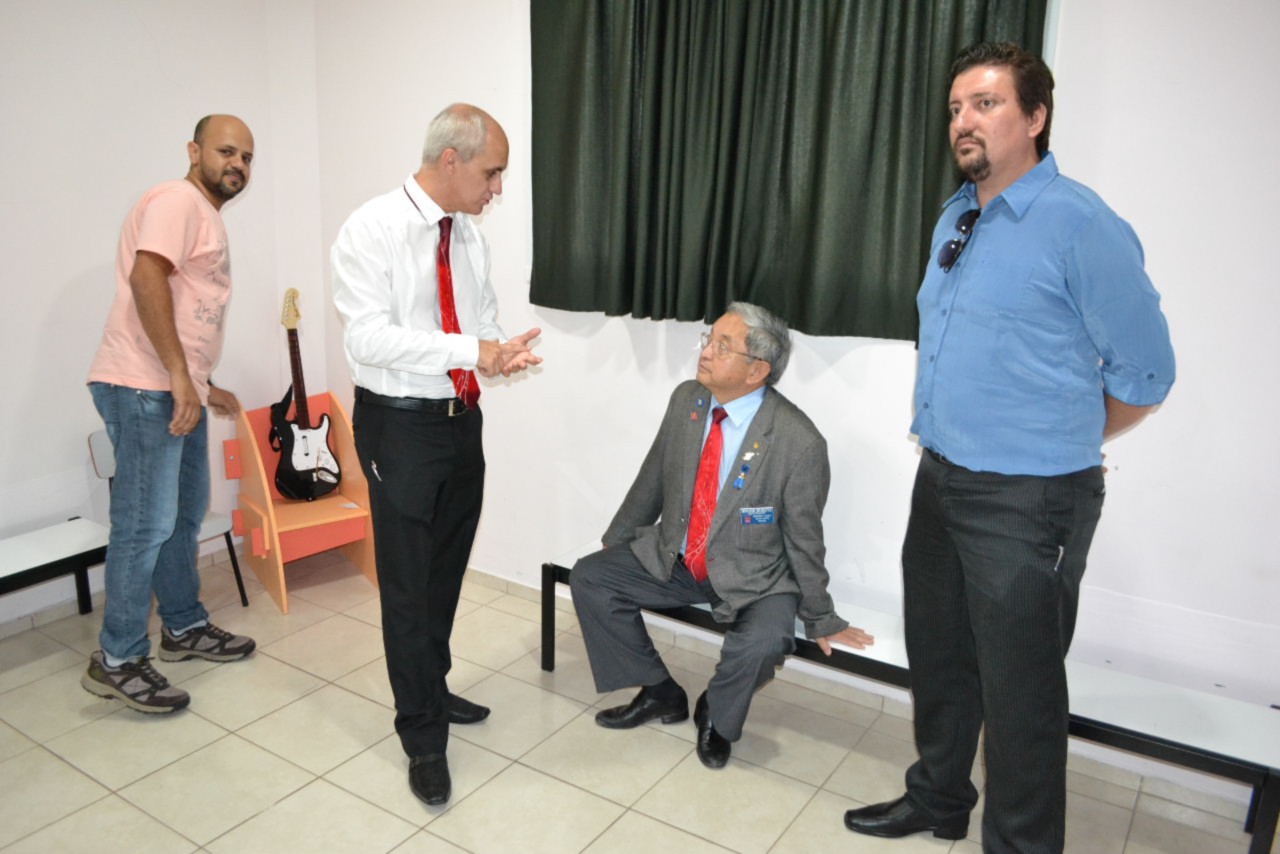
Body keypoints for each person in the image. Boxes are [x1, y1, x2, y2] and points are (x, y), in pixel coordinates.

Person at [843, 43, 1176, 854]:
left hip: (1030, 499)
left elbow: (1147, 374)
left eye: (986, 104)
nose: (964, 120)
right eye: (957, 107)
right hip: (941, 476)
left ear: (1035, 117)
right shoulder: (957, 214)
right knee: (940, 657)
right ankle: (939, 798)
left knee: (1021, 698)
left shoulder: (1081, 224)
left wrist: (1060, 433)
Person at [330, 103, 541, 806]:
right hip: (399, 428)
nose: (497, 188)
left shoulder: (467, 235)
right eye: (492, 173)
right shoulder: (372, 228)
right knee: (408, 586)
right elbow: (367, 338)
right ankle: (422, 735)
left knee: (445, 572)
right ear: (451, 159)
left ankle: (433, 686)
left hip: (460, 422)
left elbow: (479, 321)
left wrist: (498, 350)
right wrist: (470, 349)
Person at [571, 302, 873, 769]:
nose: (706, 351)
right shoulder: (688, 400)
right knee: (590, 578)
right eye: (709, 340)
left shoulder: (798, 442)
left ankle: (716, 711)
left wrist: (820, 616)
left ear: (757, 370)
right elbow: (654, 472)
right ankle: (659, 691)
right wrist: (622, 534)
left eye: (722, 346)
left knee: (765, 642)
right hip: (678, 556)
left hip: (757, 575)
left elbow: (805, 540)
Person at [83, 115, 259, 714]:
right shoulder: (177, 200)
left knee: (182, 518)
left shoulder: (203, 214)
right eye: (226, 151)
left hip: (173, 386)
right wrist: (180, 376)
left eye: (246, 157)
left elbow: (184, 308)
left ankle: (182, 625)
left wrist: (204, 384)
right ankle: (117, 658)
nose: (237, 164)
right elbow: (147, 276)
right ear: (194, 151)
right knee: (144, 525)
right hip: (145, 387)